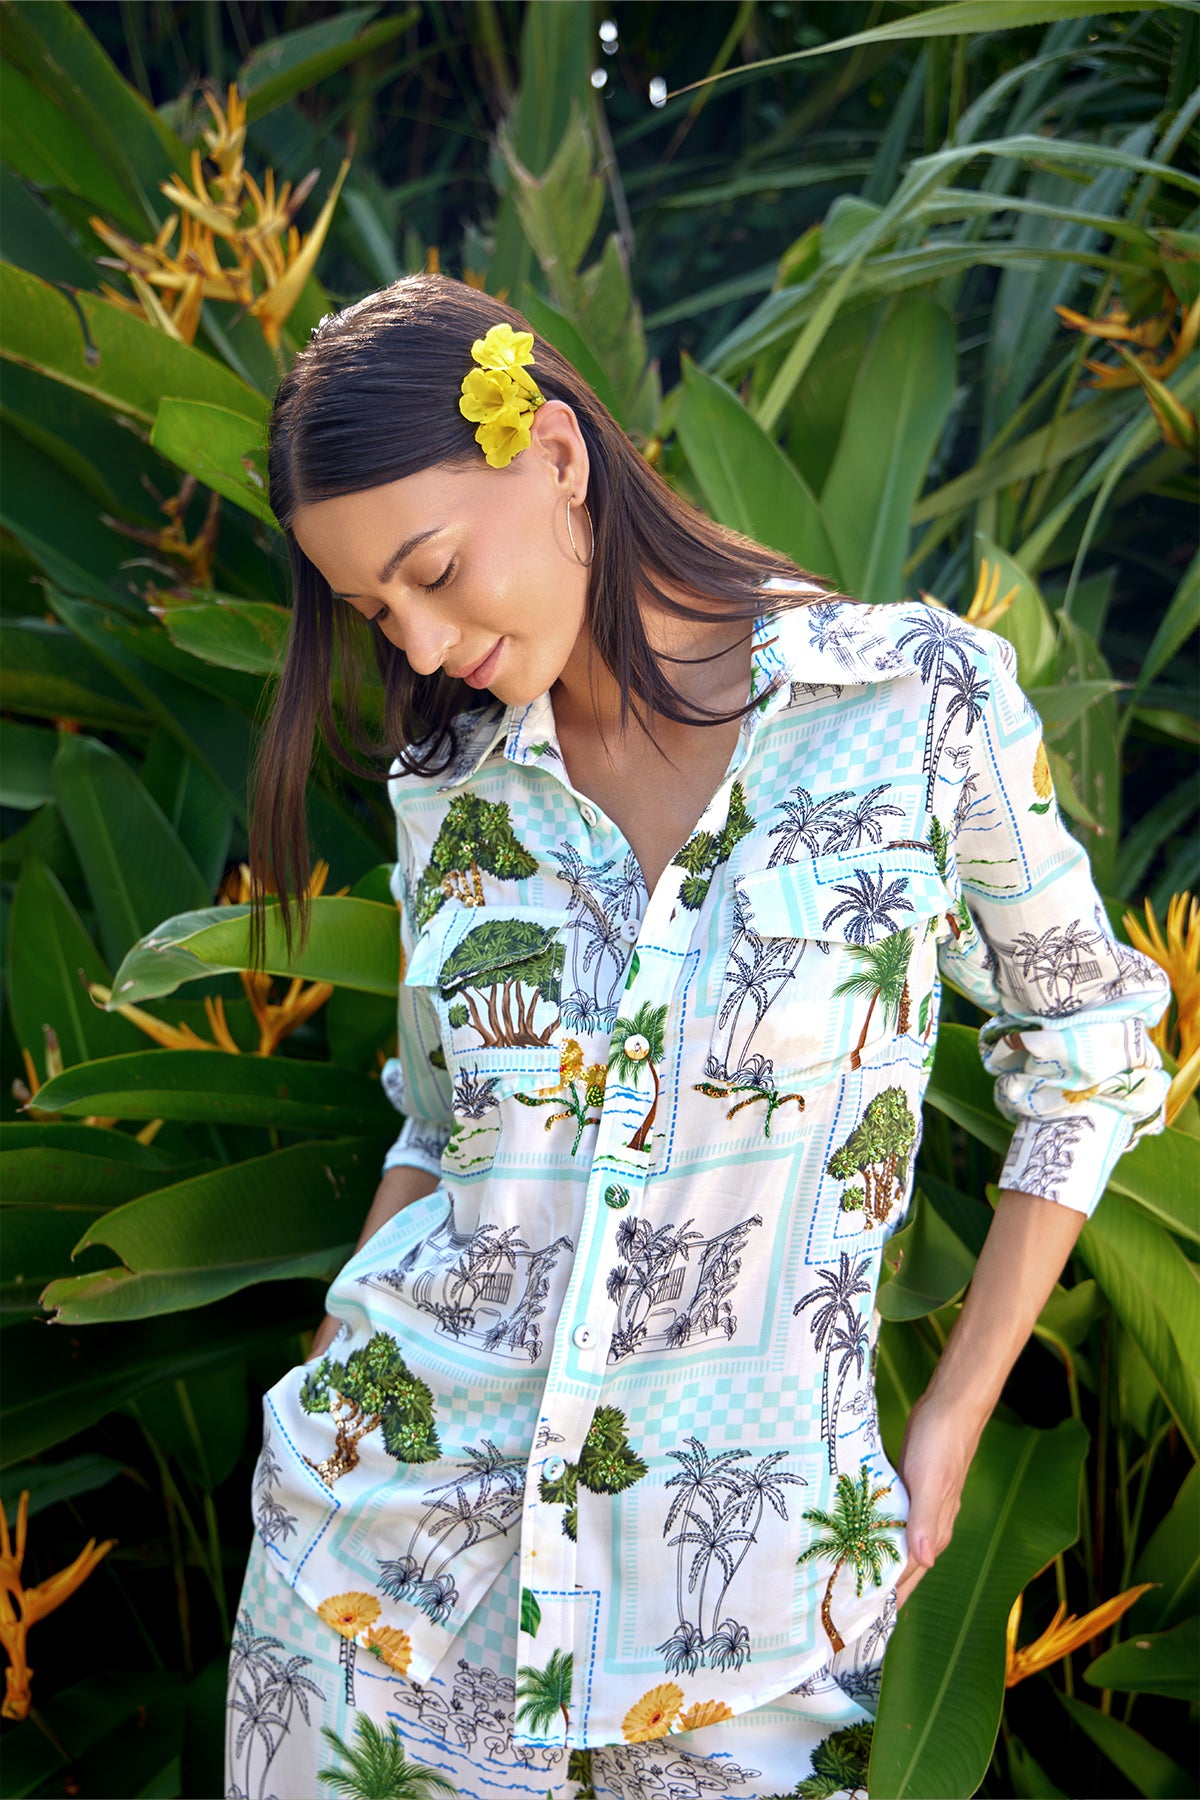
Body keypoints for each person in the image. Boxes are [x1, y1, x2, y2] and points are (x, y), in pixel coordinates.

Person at [225, 274, 1170, 1800]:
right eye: (372, 611)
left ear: (554, 454)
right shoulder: (451, 790)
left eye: (435, 569)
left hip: (753, 1613)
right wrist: (342, 1345)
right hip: (380, 1587)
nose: (416, 637)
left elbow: (1093, 1042)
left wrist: (952, 1417)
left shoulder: (910, 702)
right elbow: (438, 1112)